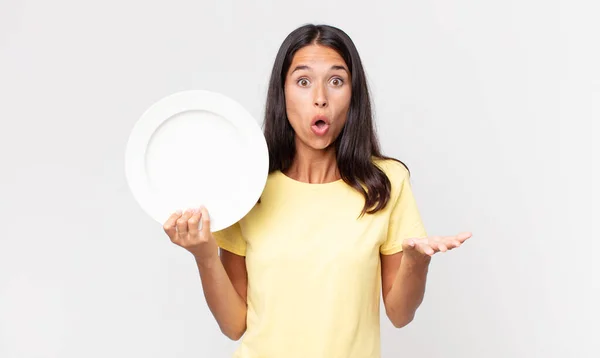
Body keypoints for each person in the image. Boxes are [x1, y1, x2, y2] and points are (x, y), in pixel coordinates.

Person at [162, 23, 472, 358]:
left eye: (336, 81)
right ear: (283, 93)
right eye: (303, 81)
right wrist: (205, 256)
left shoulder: (385, 183)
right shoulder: (248, 185)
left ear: (354, 95)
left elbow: (400, 314)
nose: (320, 99)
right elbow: (234, 325)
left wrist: (415, 262)